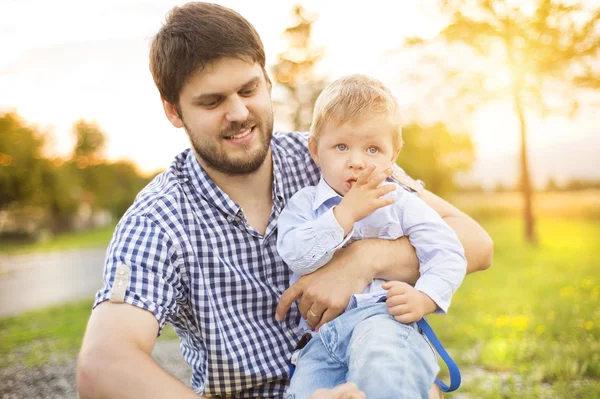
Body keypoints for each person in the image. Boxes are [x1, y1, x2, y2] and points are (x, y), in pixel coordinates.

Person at [76, 3, 493, 399]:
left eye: (248, 89)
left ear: (267, 81)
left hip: (374, 367)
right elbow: (102, 364)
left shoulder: (332, 156)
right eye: (212, 101)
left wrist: (363, 258)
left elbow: (475, 242)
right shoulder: (158, 220)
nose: (238, 112)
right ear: (173, 111)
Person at [277, 74, 466, 399]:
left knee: (382, 373)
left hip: (384, 322)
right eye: (341, 146)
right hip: (322, 338)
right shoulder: (304, 204)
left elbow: (448, 250)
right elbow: (294, 254)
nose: (357, 161)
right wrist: (343, 216)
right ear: (315, 149)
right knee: (305, 391)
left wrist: (425, 297)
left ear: (393, 156)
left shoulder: (401, 202)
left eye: (373, 149)